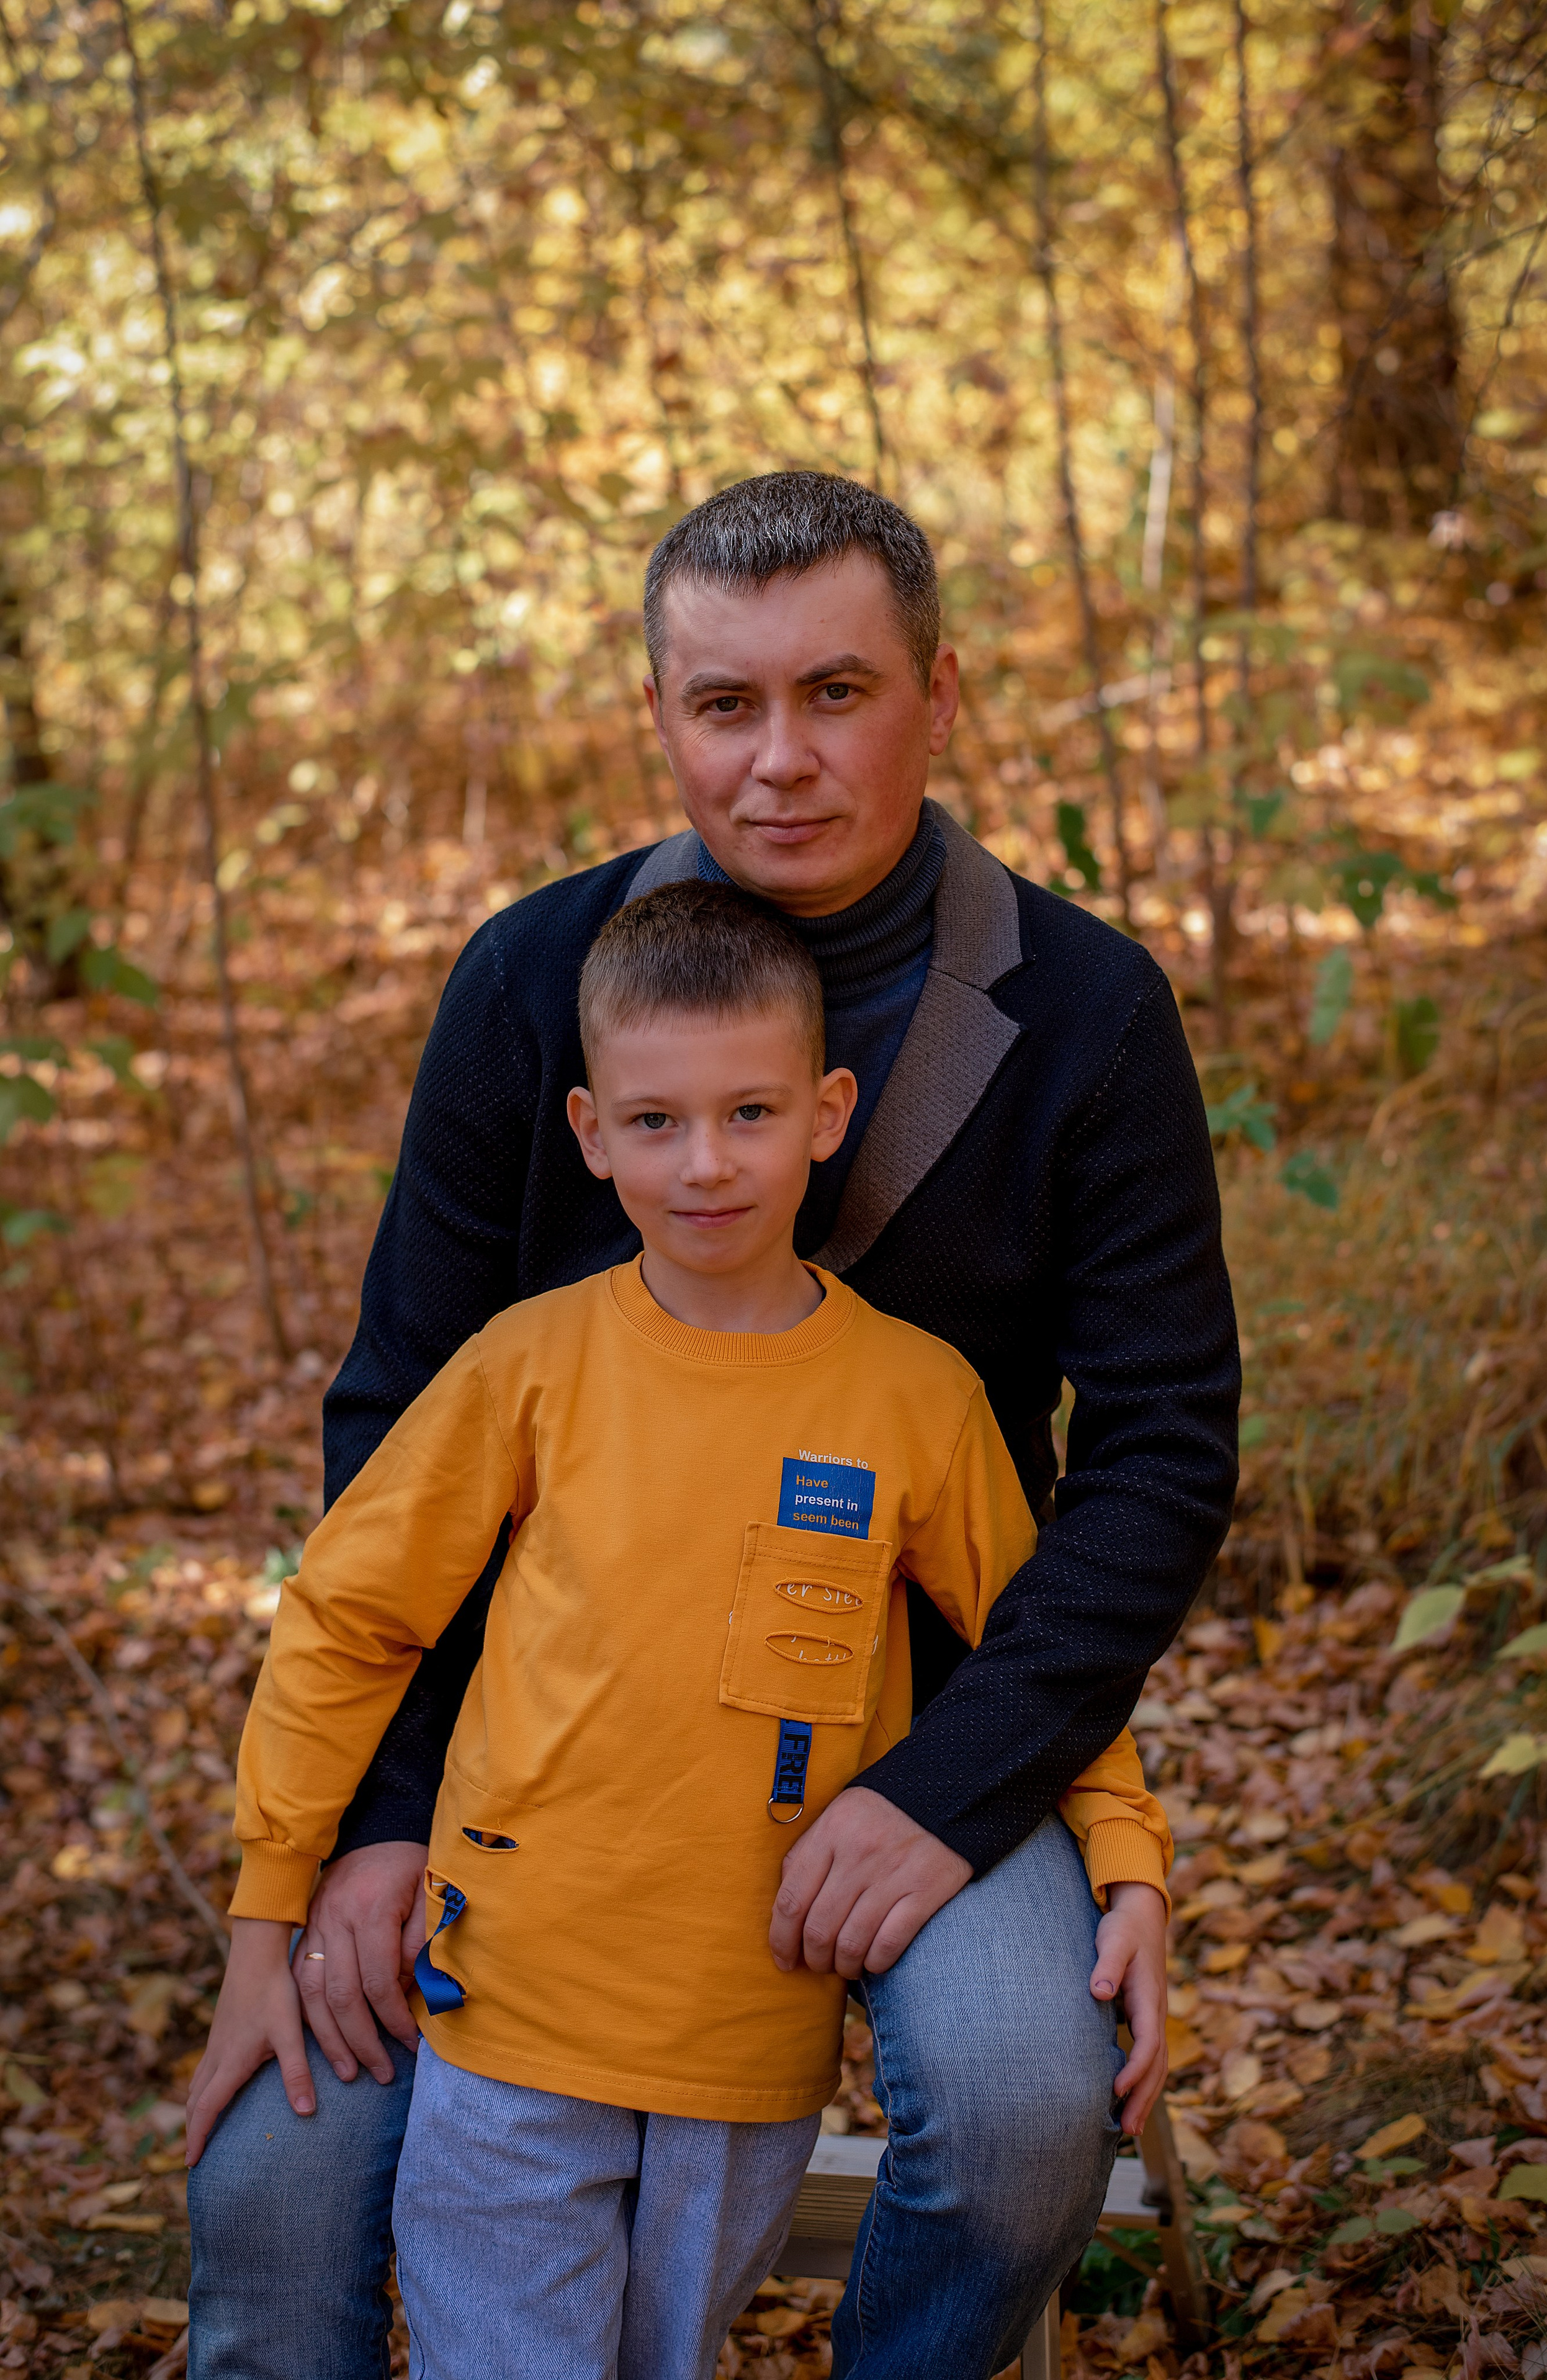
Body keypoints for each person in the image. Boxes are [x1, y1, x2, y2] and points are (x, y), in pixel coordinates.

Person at [187, 470, 1240, 2380]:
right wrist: (387, 1815)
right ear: (658, 715)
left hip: (931, 1700)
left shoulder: (1086, 1012)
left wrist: (958, 1788)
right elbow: (397, 1414)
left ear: (939, 690)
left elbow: (1165, 1445)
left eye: (837, 694)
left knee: (1017, 2113)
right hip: (549, 1715)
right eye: (724, 704)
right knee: (269, 2188)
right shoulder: (535, 984)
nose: (780, 761)